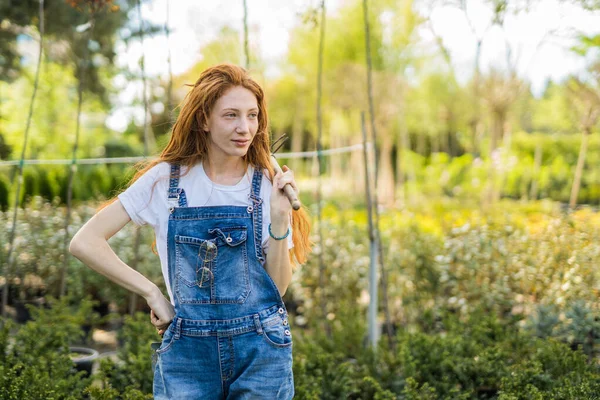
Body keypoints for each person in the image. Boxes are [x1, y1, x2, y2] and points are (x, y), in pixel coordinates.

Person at [69, 63, 311, 399]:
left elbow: (278, 288)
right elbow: (85, 242)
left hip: (261, 349)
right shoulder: (165, 182)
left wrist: (280, 218)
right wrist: (152, 293)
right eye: (231, 115)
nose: (245, 128)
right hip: (188, 354)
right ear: (204, 120)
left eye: (252, 115)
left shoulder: (267, 185)